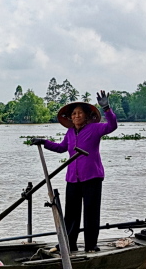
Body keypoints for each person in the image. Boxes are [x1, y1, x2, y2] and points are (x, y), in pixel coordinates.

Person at [28, 91, 117, 252]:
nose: (76, 116)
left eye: (80, 113)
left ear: (86, 116)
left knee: (91, 212)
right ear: (70, 118)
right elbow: (61, 148)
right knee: (71, 214)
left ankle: (91, 245)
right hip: (73, 179)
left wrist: (107, 108)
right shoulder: (70, 132)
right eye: (74, 114)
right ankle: (69, 244)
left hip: (92, 177)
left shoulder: (95, 128)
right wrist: (43, 142)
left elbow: (112, 126)